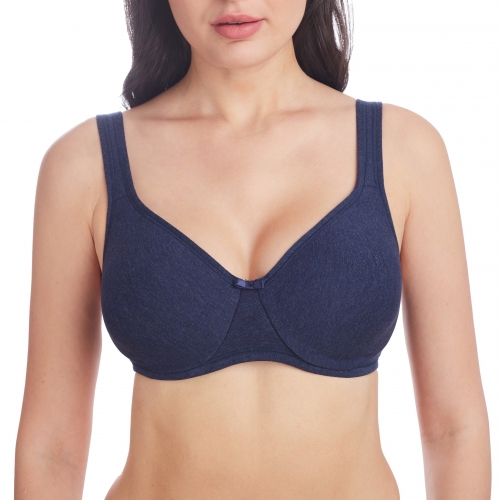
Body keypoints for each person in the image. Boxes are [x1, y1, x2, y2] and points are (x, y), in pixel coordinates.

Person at [14, 0, 491, 498]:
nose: (233, 1)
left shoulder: (404, 151)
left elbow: (454, 430)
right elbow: (53, 449)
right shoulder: (83, 167)